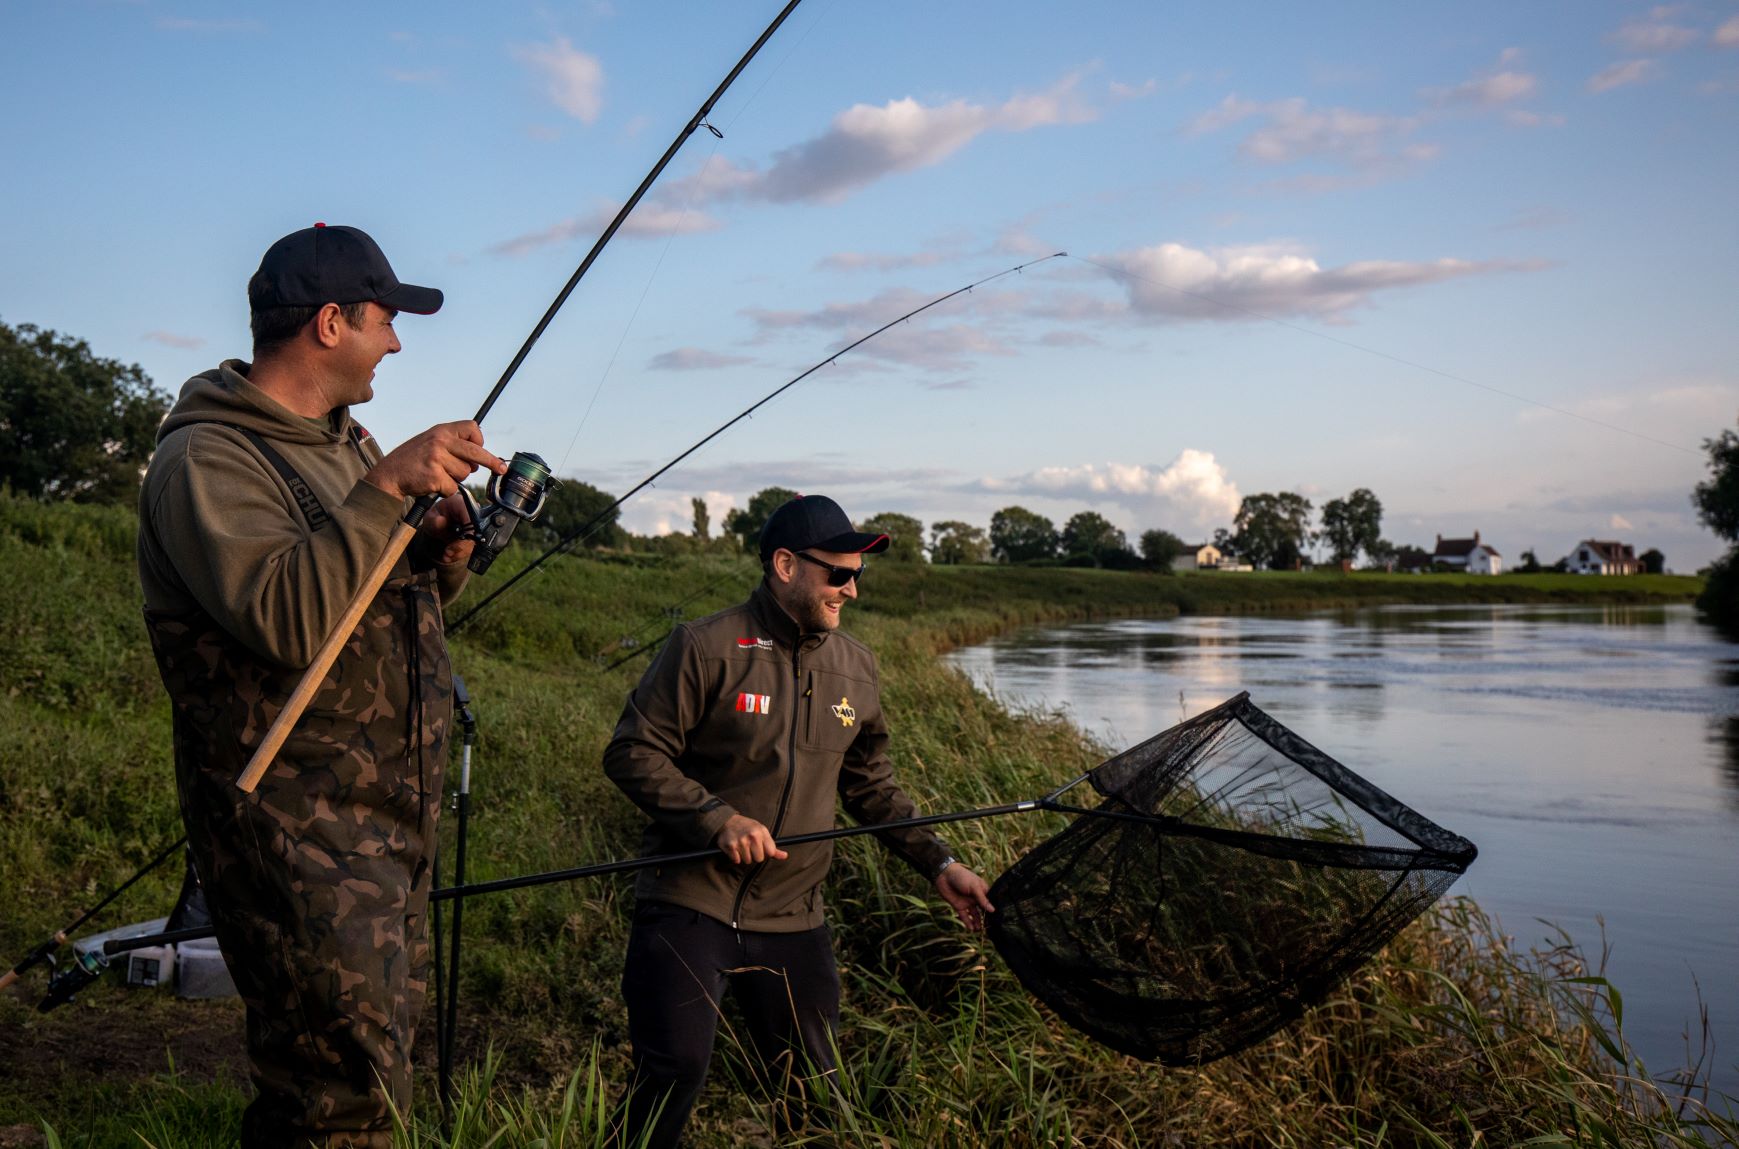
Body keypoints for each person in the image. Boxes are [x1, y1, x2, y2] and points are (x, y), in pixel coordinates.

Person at [137, 223, 506, 1148]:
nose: (397, 342)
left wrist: (439, 553)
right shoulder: (208, 459)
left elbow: (369, 601)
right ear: (331, 323)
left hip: (382, 818)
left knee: (373, 1082)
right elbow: (287, 620)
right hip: (296, 832)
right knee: (334, 1102)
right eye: (386, 319)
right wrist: (383, 489)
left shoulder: (344, 443)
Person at [602, 494, 995, 1148]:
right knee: (673, 1069)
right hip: (689, 900)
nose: (851, 589)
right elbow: (632, 752)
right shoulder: (704, 646)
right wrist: (716, 819)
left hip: (794, 915)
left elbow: (871, 786)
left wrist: (941, 864)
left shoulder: (857, 667)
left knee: (815, 1089)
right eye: (837, 574)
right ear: (785, 566)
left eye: (858, 575)